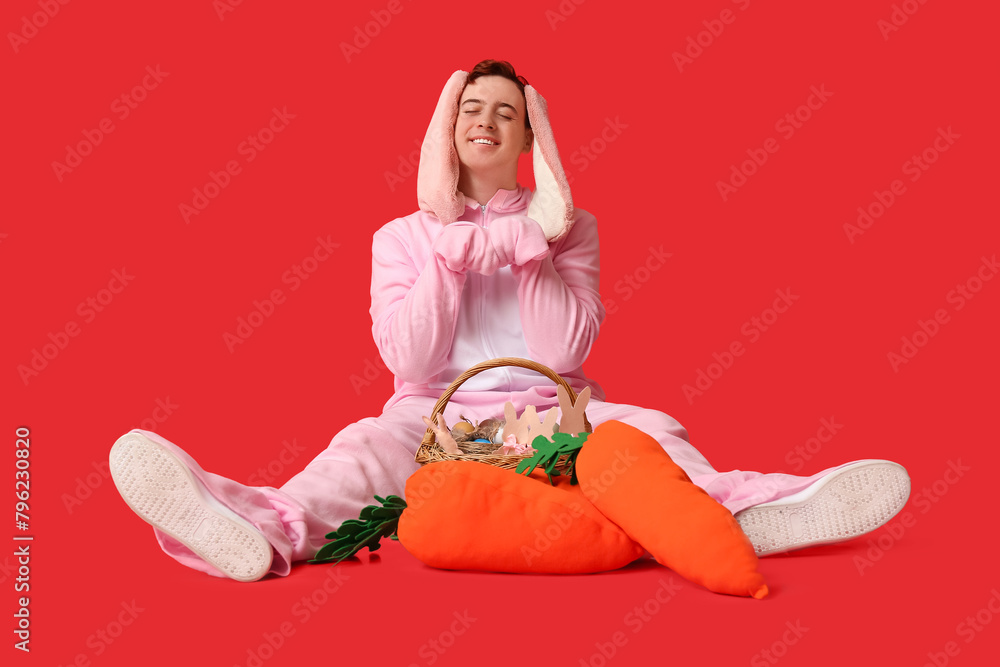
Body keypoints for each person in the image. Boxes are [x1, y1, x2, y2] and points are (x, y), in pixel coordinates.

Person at [109, 60, 911, 582]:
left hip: (557, 412)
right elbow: (411, 355)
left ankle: (757, 508)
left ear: (531, 133)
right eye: (470, 108)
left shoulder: (574, 227)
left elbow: (565, 348)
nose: (485, 122)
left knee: (653, 428)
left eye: (505, 111)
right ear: (447, 126)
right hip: (432, 417)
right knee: (357, 450)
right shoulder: (402, 238)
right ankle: (253, 523)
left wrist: (532, 245)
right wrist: (457, 251)